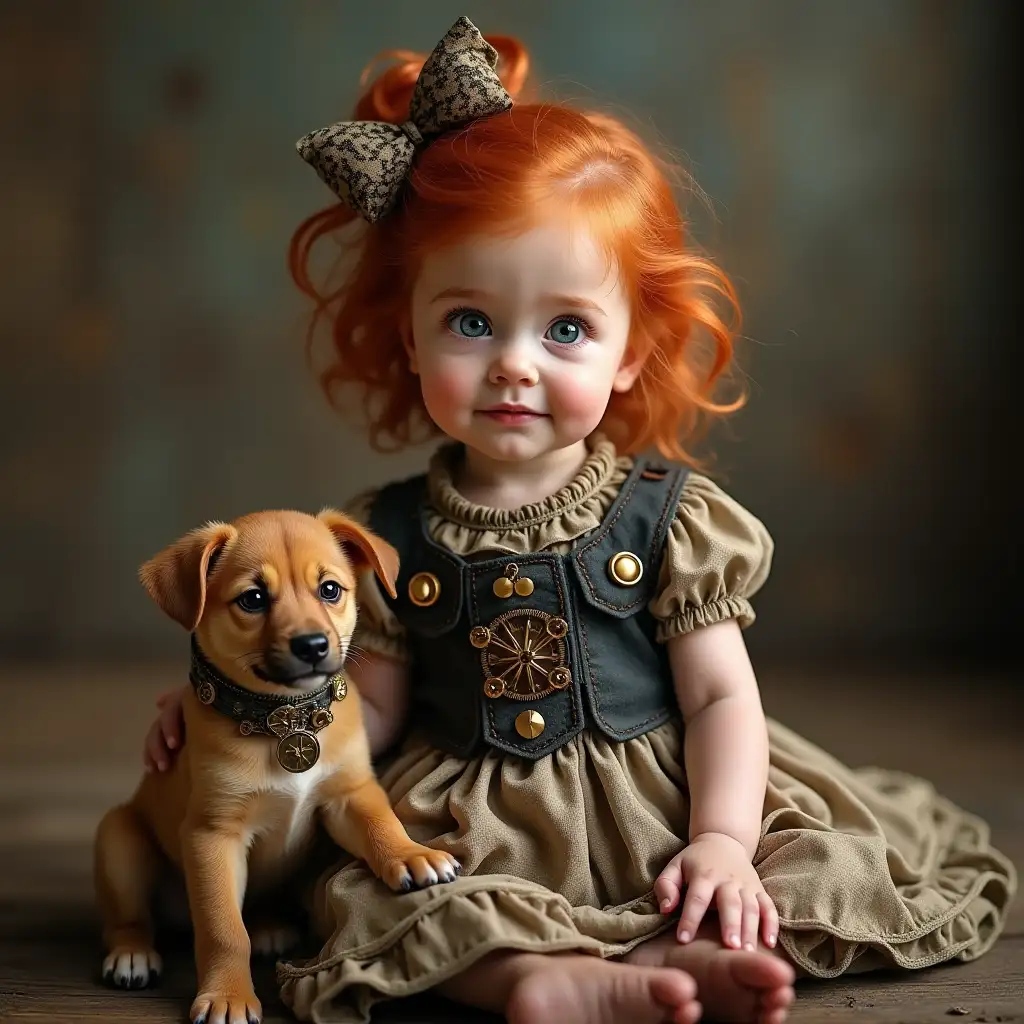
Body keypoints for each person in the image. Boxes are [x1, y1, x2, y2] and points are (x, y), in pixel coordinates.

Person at [142, 18, 1015, 1024]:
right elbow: (366, 712)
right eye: (471, 322)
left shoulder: (666, 521)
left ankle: (680, 957)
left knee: (747, 879)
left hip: (655, 800)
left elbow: (721, 700)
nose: (516, 361)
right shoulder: (380, 534)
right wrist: (239, 703)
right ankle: (542, 980)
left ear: (633, 351)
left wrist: (725, 836)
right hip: (468, 810)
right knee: (382, 896)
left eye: (566, 327)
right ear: (410, 338)